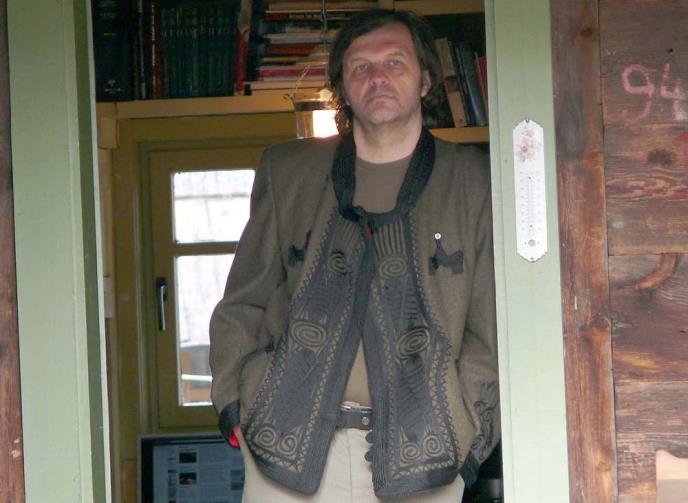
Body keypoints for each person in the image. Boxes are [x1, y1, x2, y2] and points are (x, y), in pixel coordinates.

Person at [209, 9, 499, 502]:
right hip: (283, 448)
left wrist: (470, 434)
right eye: (360, 66)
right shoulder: (289, 171)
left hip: (427, 454)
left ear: (426, 80)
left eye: (394, 62)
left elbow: (490, 329)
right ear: (343, 86)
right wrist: (235, 405)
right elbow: (244, 300)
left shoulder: (475, 179)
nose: (377, 77)